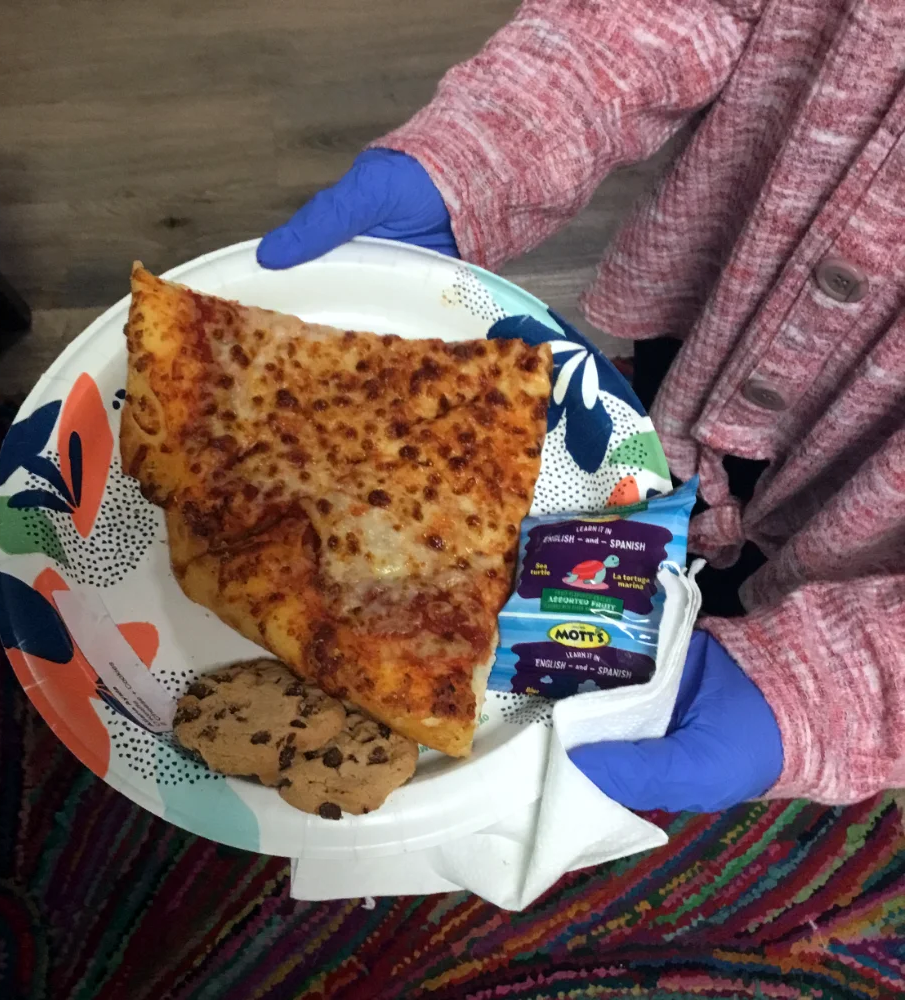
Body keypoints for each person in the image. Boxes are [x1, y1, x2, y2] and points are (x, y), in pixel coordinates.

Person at [257, 0, 905, 816]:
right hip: (703, 347)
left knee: (694, 686)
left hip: (876, 529)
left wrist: (837, 691)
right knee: (595, 569)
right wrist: (487, 148)